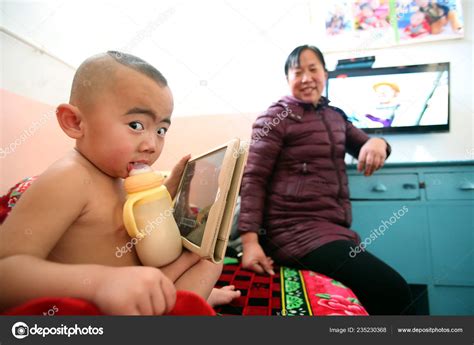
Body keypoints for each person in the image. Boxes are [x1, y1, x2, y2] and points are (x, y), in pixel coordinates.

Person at [0, 51, 239, 315]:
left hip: (136, 285)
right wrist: (100, 283)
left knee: (209, 260)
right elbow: (6, 270)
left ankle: (196, 296)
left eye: (161, 130)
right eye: (136, 125)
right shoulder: (70, 177)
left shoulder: (116, 175)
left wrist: (167, 191)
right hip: (102, 302)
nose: (151, 145)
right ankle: (187, 301)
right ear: (75, 122)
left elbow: (127, 222)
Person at [238, 45, 414, 315]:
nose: (307, 78)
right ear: (288, 80)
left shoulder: (336, 117)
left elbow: (367, 145)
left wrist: (379, 142)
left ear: (325, 74)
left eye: (313, 69)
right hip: (292, 231)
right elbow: (253, 178)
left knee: (375, 292)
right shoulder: (275, 118)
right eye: (298, 72)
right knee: (393, 291)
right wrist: (250, 243)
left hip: (331, 230)